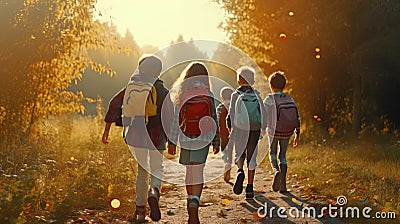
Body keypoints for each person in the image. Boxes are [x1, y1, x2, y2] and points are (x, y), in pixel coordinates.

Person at [167, 62, 220, 224]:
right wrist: (216, 141)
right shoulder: (208, 93)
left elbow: (176, 120)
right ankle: (195, 202)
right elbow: (214, 119)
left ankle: (190, 199)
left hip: (185, 137)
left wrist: (172, 142)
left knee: (189, 172)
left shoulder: (183, 93)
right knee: (198, 170)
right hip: (203, 138)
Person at [121, 54, 169, 222]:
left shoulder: (132, 86)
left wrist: (124, 132)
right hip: (157, 136)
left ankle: (140, 212)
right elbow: (168, 117)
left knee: (142, 171)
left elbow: (123, 109)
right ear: (159, 72)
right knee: (157, 168)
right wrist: (171, 140)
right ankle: (154, 192)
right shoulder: (163, 90)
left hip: (137, 134)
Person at [227, 66, 267, 199]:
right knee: (252, 157)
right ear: (253, 82)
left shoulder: (235, 95)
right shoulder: (257, 95)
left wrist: (230, 128)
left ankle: (239, 171)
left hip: (239, 130)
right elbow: (263, 112)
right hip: (254, 130)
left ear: (238, 82)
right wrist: (263, 127)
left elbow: (231, 115)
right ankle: (250, 188)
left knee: (239, 154)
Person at [263, 71, 300, 193]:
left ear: (271, 86)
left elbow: (264, 115)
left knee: (272, 154)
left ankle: (276, 171)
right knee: (282, 155)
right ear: (284, 85)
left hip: (273, 131)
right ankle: (283, 184)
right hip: (287, 132)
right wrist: (297, 134)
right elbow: (297, 116)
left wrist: (263, 129)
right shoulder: (289, 98)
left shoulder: (269, 98)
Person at [216, 87, 234, 182]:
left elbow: (216, 121)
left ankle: (226, 161)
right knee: (230, 151)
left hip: (223, 134)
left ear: (222, 97)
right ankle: (229, 163)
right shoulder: (234, 106)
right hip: (233, 133)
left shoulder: (219, 107)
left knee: (224, 151)